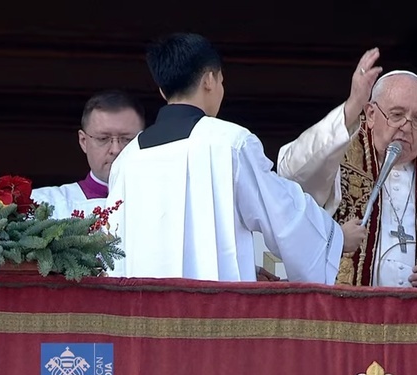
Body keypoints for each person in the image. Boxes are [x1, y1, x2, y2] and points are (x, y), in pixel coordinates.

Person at [105, 33, 366, 282]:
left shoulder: (127, 160)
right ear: (209, 80)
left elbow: (117, 251)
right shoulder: (230, 143)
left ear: (163, 91)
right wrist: (336, 237)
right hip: (210, 314)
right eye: (221, 80)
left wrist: (245, 268)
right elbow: (281, 212)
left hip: (142, 317)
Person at [277, 48, 417, 287]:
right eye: (397, 114)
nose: (406, 126)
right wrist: (353, 104)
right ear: (371, 114)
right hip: (348, 317)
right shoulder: (335, 163)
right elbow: (290, 173)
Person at [31, 90, 145, 218]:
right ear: (83, 141)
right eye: (103, 138)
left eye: (127, 139)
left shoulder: (163, 201)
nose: (116, 149)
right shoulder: (45, 205)